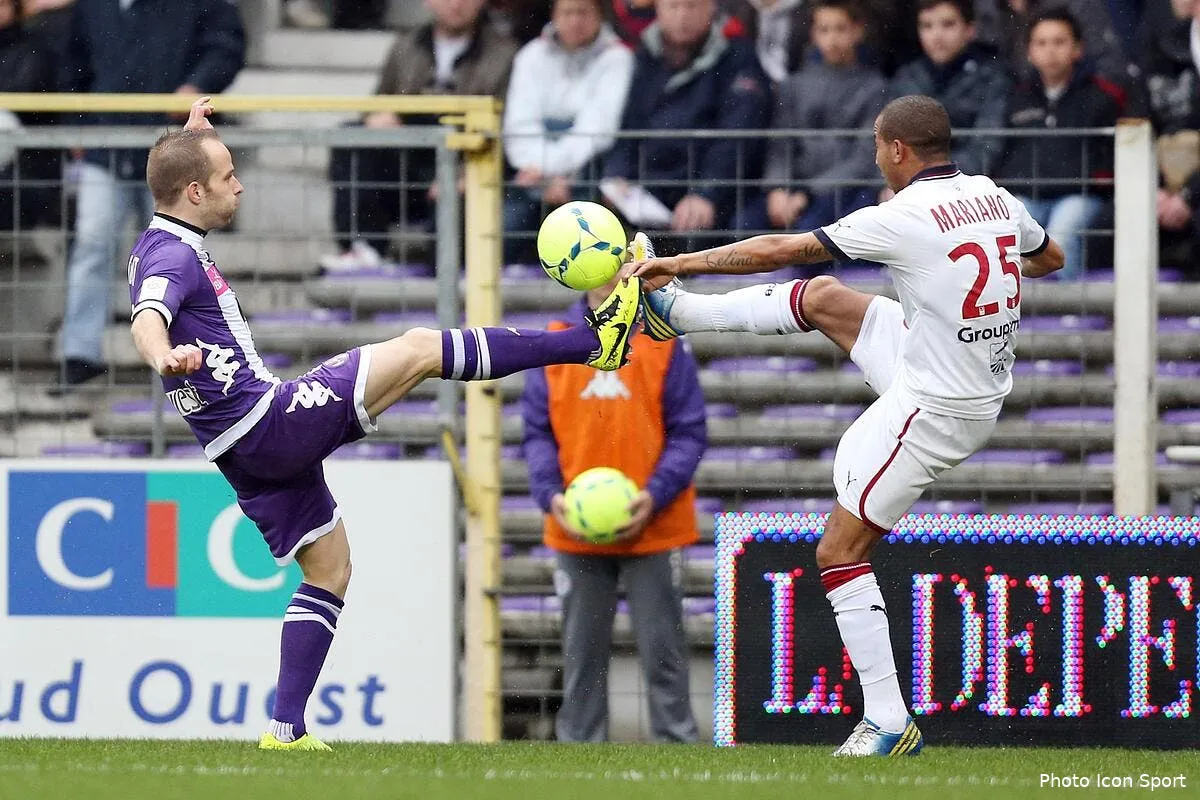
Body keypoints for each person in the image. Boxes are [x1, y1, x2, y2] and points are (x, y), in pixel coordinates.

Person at [128, 98, 643, 751]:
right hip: (269, 423)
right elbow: (149, 317)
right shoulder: (173, 260)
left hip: (239, 453)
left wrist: (193, 137)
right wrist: (161, 354)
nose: (241, 185)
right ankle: (594, 342)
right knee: (421, 348)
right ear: (194, 192)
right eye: (228, 177)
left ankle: (286, 730)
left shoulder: (157, 239)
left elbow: (175, 202)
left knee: (329, 570)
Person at [623, 94, 1065, 755]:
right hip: (946, 369)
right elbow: (1051, 258)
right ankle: (677, 315)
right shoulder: (992, 196)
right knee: (827, 298)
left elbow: (783, 248)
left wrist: (679, 260)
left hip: (937, 407)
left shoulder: (904, 216)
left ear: (898, 149)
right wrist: (977, 275)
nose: (876, 157)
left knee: (838, 552)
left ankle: (888, 721)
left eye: (877, 145)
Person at [522, 266, 706, 743]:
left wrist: (655, 494)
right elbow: (537, 433)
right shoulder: (555, 340)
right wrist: (551, 496)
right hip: (573, 529)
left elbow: (689, 432)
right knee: (581, 655)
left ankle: (677, 749)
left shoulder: (664, 340)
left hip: (656, 526)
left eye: (615, 262)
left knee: (664, 650)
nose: (606, 275)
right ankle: (581, 750)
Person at [55, 0, 245, 393]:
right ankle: (80, 354)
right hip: (107, 145)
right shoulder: (93, 6)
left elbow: (225, 45)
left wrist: (196, 84)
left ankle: (183, 357)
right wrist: (76, 121)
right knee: (94, 246)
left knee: (176, 258)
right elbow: (72, 64)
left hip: (172, 155)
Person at [323, 0, 519, 271]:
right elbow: (377, 103)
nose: (456, 4)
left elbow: (506, 127)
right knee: (353, 138)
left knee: (463, 200)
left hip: (468, 158)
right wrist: (380, 118)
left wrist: (461, 173)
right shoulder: (407, 45)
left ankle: (447, 265)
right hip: (409, 156)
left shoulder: (504, 54)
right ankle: (362, 247)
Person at [602, 0, 771, 250]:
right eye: (674, 6)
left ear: (711, 8)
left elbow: (738, 137)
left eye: (691, 6)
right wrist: (616, 177)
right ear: (658, 9)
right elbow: (627, 127)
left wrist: (706, 194)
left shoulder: (738, 57)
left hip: (714, 196)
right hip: (645, 191)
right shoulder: (644, 57)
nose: (682, 16)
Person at [995, 8, 1124, 279]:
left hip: (1080, 195)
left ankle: (1065, 302)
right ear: (1029, 51)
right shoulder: (1015, 96)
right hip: (1027, 194)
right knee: (1007, 232)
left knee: (1061, 234)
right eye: (1041, 43)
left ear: (1078, 49)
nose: (1050, 51)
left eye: (1059, 42)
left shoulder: (1102, 96)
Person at [502, 0, 634, 263]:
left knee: (587, 244)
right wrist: (542, 172)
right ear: (554, 14)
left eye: (583, 12)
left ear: (600, 15)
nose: (575, 21)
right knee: (505, 231)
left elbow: (598, 128)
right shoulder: (531, 55)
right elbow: (519, 124)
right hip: (532, 170)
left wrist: (557, 172)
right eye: (567, 12)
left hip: (587, 169)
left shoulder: (617, 57)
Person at [759, 0, 886, 232]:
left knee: (809, 234)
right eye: (824, 30)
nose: (832, 39)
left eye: (840, 29)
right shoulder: (794, 86)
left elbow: (864, 156)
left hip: (846, 191)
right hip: (793, 191)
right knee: (743, 226)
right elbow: (781, 145)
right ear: (813, 34)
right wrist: (777, 188)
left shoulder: (875, 88)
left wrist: (808, 193)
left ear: (858, 31)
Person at [889, 0, 1009, 177]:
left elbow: (987, 146)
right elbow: (888, 143)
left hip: (968, 186)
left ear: (970, 29)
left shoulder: (992, 78)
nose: (937, 35)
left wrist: (932, 176)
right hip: (911, 184)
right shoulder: (906, 78)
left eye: (948, 24)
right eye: (927, 26)